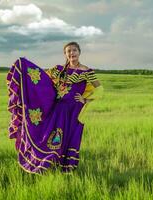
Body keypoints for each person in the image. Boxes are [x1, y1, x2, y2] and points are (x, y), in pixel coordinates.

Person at [6, 41, 104, 174]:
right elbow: (41, 78)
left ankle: (66, 167)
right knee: (52, 135)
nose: (72, 53)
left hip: (74, 110)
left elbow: (100, 89)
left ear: (79, 52)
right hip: (58, 108)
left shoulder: (87, 71)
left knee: (69, 136)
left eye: (74, 50)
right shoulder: (58, 70)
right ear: (65, 54)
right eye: (68, 51)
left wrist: (85, 99)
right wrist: (24, 66)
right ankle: (48, 163)